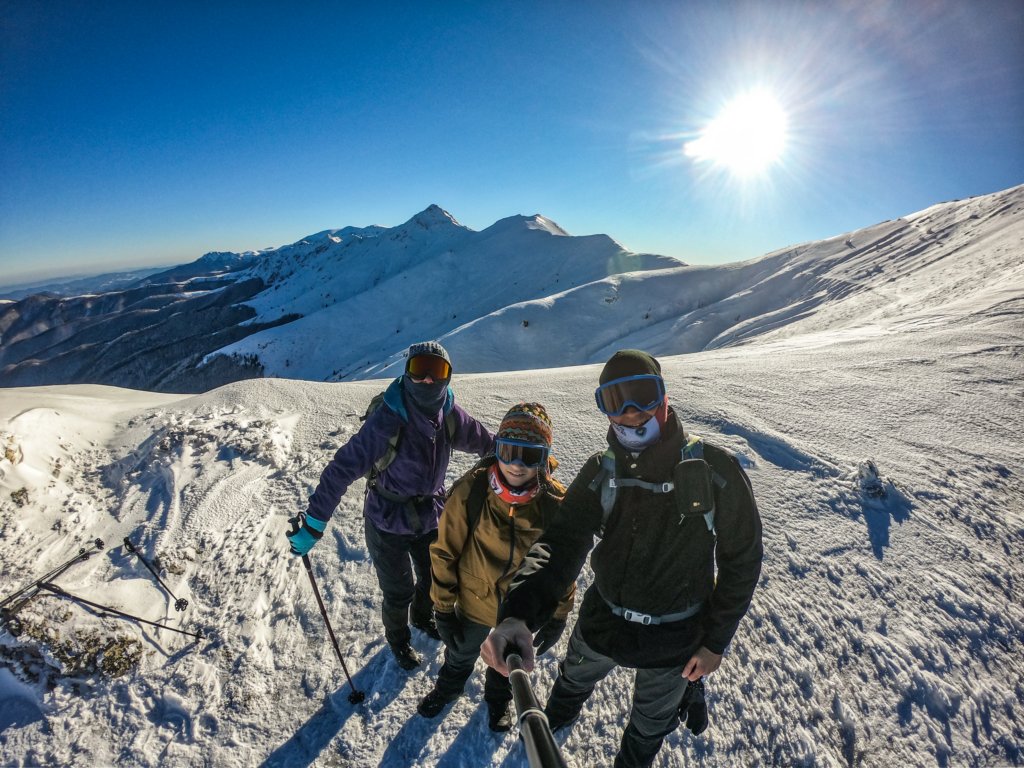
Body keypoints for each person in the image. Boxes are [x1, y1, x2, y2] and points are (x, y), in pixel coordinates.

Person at [480, 350, 763, 768]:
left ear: (664, 397)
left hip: (676, 639)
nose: (630, 412)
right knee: (572, 681)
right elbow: (561, 544)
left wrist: (715, 641)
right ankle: (556, 720)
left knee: (649, 725)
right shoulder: (602, 472)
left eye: (642, 394)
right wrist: (518, 613)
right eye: (615, 400)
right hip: (603, 622)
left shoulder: (714, 471)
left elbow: (742, 561)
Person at [287, 341, 494, 670]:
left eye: (436, 370)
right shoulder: (388, 418)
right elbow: (343, 468)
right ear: (407, 372)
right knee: (399, 591)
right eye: (419, 369)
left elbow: (487, 444)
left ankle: (422, 618)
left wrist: (521, 457)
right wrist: (314, 522)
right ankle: (398, 640)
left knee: (434, 578)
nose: (427, 379)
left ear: (448, 376)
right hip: (386, 521)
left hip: (430, 516)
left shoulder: (449, 413)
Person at [417, 403, 575, 731]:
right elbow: (445, 552)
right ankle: (448, 688)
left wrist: (559, 613)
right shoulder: (473, 490)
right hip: (474, 602)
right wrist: (443, 608)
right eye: (508, 451)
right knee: (460, 652)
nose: (516, 464)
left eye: (529, 455)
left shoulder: (555, 504)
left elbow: (562, 567)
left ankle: (498, 699)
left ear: (544, 458)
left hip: (521, 610)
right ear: (497, 449)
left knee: (506, 662)